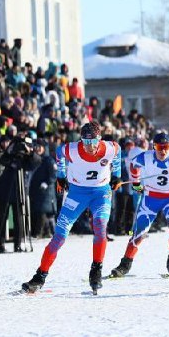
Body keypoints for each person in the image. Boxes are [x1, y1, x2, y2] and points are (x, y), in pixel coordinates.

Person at [21, 121, 122, 294]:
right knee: (59, 236)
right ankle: (39, 276)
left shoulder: (110, 148)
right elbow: (59, 153)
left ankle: (96, 270)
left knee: (100, 226)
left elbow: (118, 153)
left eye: (93, 142)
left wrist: (117, 175)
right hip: (77, 194)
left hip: (101, 194)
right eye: (86, 142)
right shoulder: (72, 149)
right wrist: (61, 176)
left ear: (100, 139)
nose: (90, 147)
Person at [107, 132, 169, 277]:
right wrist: (136, 183)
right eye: (159, 147)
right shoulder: (146, 156)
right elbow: (133, 165)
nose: (163, 151)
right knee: (140, 232)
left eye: (166, 146)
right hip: (151, 198)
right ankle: (124, 265)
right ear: (153, 146)